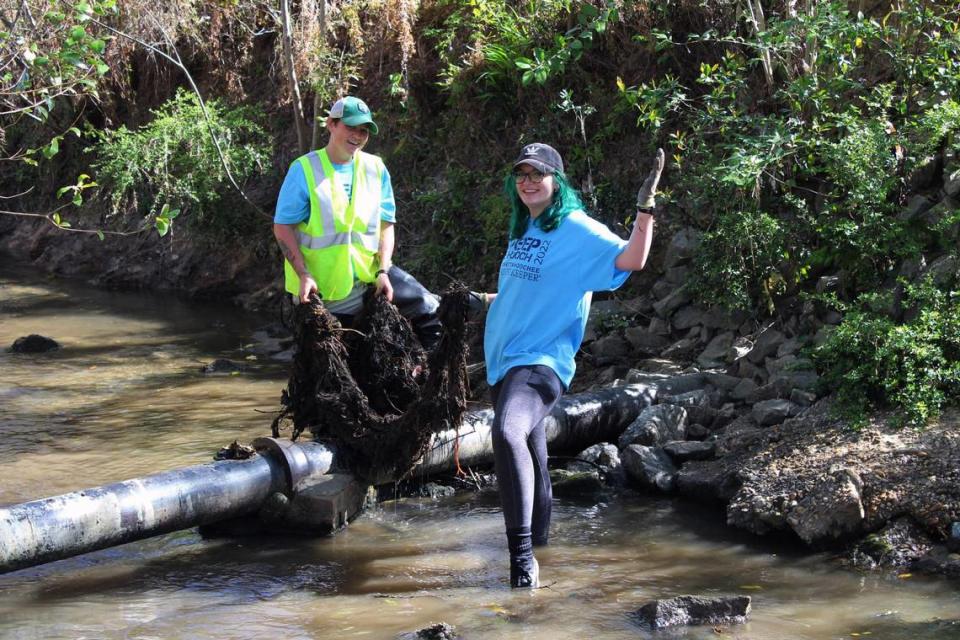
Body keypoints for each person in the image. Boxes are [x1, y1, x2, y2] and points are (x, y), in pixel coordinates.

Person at [479, 142, 664, 588]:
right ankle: (542, 553)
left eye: (537, 174)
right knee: (534, 452)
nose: (527, 181)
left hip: (542, 363)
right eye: (521, 173)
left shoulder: (577, 228)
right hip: (503, 361)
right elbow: (522, 295)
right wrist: (476, 302)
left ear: (556, 181)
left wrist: (645, 209)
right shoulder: (523, 227)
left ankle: (521, 558)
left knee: (506, 432)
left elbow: (632, 259)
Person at [273, 96, 441, 348]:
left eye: (364, 131)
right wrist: (303, 275)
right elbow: (282, 227)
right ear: (331, 124)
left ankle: (426, 373)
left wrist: (383, 270)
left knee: (428, 308)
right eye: (351, 127)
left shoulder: (375, 168)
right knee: (339, 371)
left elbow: (386, 224)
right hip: (323, 293)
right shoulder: (304, 169)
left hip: (370, 278)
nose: (358, 136)